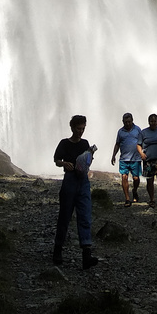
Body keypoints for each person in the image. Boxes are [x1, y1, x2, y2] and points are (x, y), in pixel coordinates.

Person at [53, 114, 99, 270]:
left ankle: (86, 255)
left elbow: (88, 159)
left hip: (83, 181)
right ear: (72, 128)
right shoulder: (64, 143)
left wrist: (88, 159)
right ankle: (57, 250)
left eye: (83, 128)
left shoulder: (85, 143)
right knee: (65, 216)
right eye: (79, 128)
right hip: (70, 180)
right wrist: (64, 163)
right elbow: (56, 160)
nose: (81, 131)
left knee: (85, 215)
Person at [110, 111, 142, 205]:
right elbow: (117, 144)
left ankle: (134, 191)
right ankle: (127, 199)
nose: (127, 124)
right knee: (124, 177)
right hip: (124, 159)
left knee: (136, 178)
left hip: (135, 158)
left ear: (132, 121)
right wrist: (113, 155)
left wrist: (143, 153)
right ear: (123, 121)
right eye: (125, 122)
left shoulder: (137, 130)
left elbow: (142, 142)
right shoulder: (120, 132)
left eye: (129, 122)